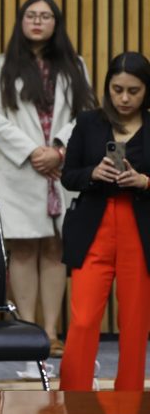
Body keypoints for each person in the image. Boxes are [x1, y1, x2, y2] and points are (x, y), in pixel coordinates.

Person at [0, 0, 96, 364]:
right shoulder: (3, 65)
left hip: (61, 168)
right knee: (24, 247)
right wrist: (34, 152)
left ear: (55, 23)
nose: (37, 21)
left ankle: (50, 331)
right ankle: (25, 328)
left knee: (55, 246)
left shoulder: (74, 65)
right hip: (21, 170)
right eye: (31, 15)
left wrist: (59, 149)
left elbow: (86, 113)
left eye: (45, 16)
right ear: (21, 21)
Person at [59, 51, 150, 391]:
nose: (124, 98)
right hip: (94, 227)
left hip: (139, 230)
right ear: (108, 87)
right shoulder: (88, 122)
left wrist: (145, 182)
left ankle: (129, 403)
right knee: (83, 320)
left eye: (133, 91)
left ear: (146, 90)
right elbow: (68, 176)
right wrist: (92, 173)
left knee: (135, 322)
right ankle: (73, 399)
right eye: (117, 89)